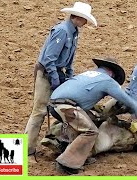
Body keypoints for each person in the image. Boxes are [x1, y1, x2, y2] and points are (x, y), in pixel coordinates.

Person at [24, 2, 97, 162]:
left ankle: (60, 144)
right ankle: (27, 151)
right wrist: (56, 80)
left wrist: (69, 77)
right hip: (46, 74)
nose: (85, 23)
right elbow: (49, 59)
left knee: (65, 107)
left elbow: (69, 59)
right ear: (77, 17)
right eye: (84, 19)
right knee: (39, 111)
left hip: (58, 73)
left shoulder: (74, 32)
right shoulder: (62, 31)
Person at [47, 57, 137, 174]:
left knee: (85, 122)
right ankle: (66, 163)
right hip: (67, 107)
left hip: (54, 104)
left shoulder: (86, 75)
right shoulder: (108, 80)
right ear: (111, 73)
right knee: (91, 131)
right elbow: (125, 98)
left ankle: (75, 153)